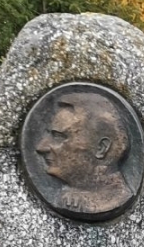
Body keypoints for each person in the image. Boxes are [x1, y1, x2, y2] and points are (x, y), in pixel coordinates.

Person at [33, 89, 135, 217]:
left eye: (58, 136)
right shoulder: (65, 198)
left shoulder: (116, 199)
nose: (41, 147)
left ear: (101, 148)